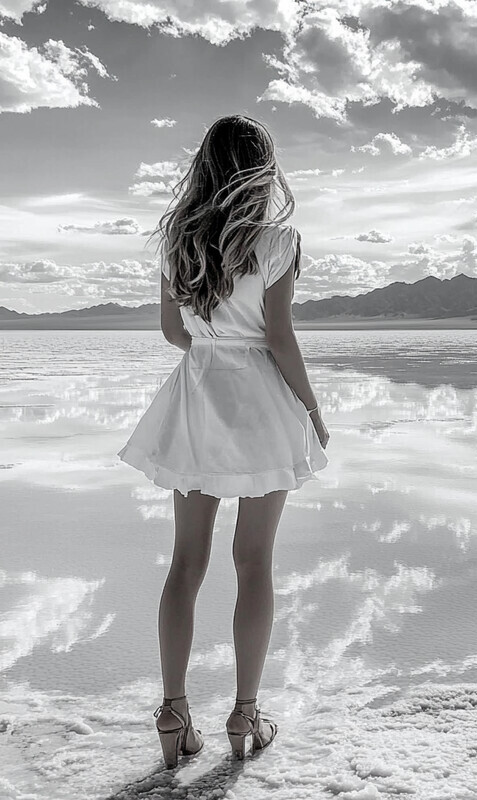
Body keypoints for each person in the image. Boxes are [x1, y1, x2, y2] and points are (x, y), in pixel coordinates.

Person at [116, 114, 330, 768]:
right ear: (261, 169)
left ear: (204, 167)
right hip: (261, 402)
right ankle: (244, 714)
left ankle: (174, 713)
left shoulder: (176, 239)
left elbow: (173, 334)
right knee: (253, 561)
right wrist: (312, 410)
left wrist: (211, 343)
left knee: (185, 563)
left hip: (198, 398)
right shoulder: (277, 240)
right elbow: (279, 336)